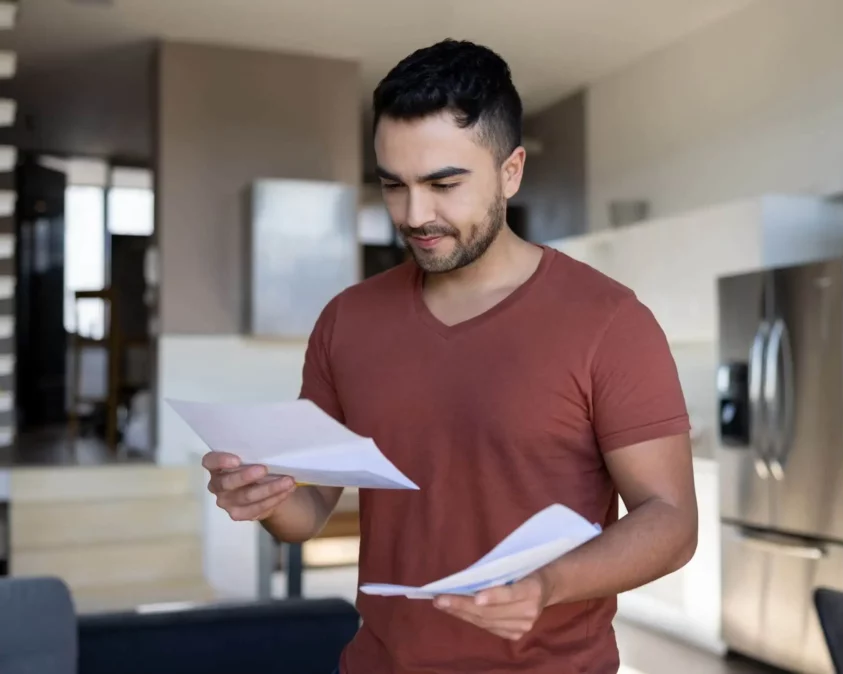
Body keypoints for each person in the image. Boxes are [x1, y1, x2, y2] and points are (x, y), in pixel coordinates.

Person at [203, 38, 698, 674]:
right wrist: (263, 498)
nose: (415, 214)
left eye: (443, 183)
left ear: (511, 171)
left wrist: (550, 584)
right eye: (393, 185)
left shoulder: (610, 322)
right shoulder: (346, 321)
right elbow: (309, 510)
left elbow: (672, 520)